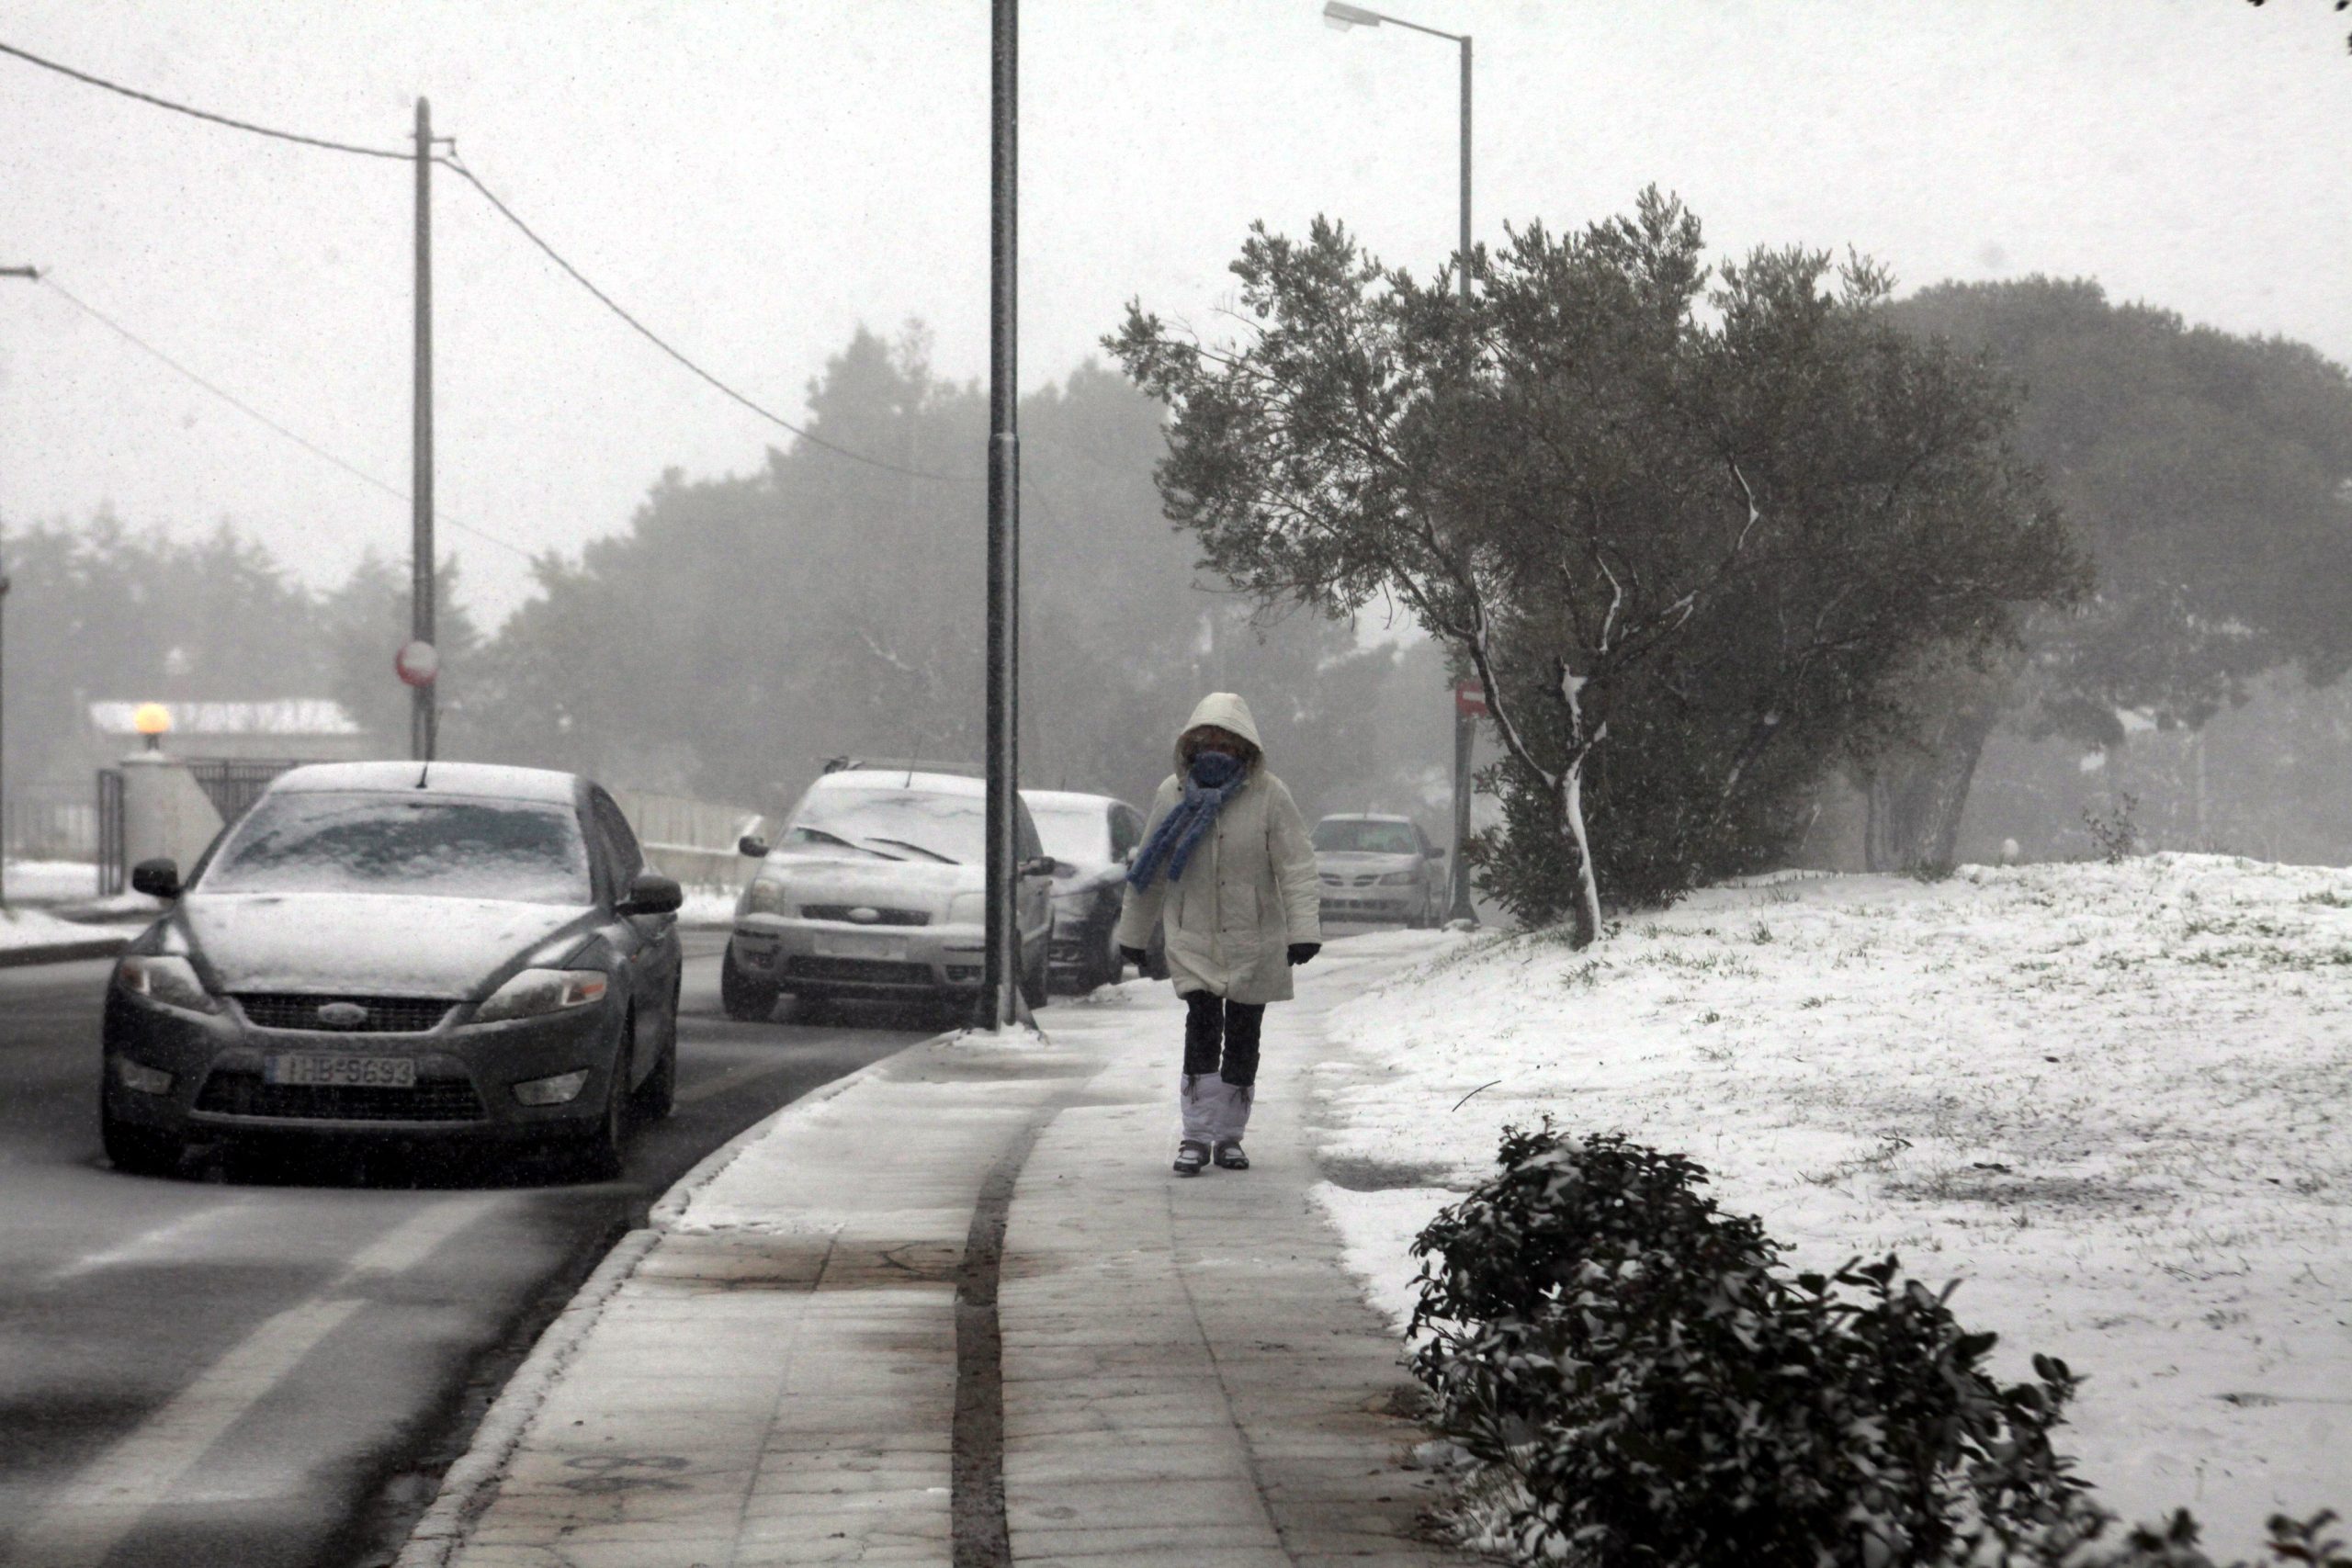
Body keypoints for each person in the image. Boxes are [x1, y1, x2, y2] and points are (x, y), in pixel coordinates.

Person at [1115, 693, 1322, 1177]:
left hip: (1255, 938)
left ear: (1244, 745)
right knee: (1203, 1028)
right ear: (1190, 742)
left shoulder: (1270, 795)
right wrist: (1134, 933)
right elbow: (1150, 866)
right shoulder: (1173, 794)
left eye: (1225, 739)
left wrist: (1303, 930)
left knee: (1244, 1036)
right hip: (1192, 935)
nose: (1215, 746)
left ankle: (1229, 1135)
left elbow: (1296, 866)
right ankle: (1196, 1134)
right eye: (1205, 737)